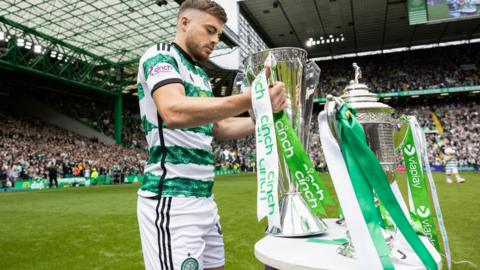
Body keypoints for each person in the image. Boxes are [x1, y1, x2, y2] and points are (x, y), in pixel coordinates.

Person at [135, 1, 286, 269]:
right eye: (210, 30)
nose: (215, 39)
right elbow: (173, 111)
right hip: (172, 199)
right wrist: (247, 98)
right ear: (184, 23)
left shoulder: (200, 76)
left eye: (218, 33)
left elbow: (220, 127)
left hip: (205, 199)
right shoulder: (160, 56)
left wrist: (264, 115)